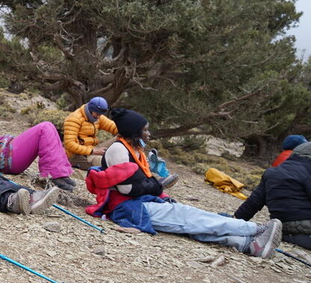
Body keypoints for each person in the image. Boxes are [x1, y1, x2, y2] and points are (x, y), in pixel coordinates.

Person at [86, 108, 282, 258]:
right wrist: (158, 185)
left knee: (189, 224)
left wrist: (157, 189)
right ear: (134, 132)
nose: (149, 134)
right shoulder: (119, 150)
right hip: (129, 207)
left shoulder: (135, 150)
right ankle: (255, 229)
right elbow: (127, 189)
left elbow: (139, 184)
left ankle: (247, 244)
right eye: (145, 130)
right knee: (188, 217)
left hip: (141, 202)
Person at [234, 141, 311, 249]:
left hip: (281, 229)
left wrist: (236, 221)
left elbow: (253, 203)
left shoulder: (272, 172)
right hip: (306, 232)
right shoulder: (307, 172)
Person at [63, 96, 118, 170]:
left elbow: (113, 126)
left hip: (93, 149)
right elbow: (69, 144)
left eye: (100, 114)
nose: (99, 117)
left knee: (120, 137)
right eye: (97, 114)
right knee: (106, 164)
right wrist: (93, 151)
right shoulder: (74, 119)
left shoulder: (97, 117)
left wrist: (127, 132)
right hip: (78, 155)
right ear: (90, 110)